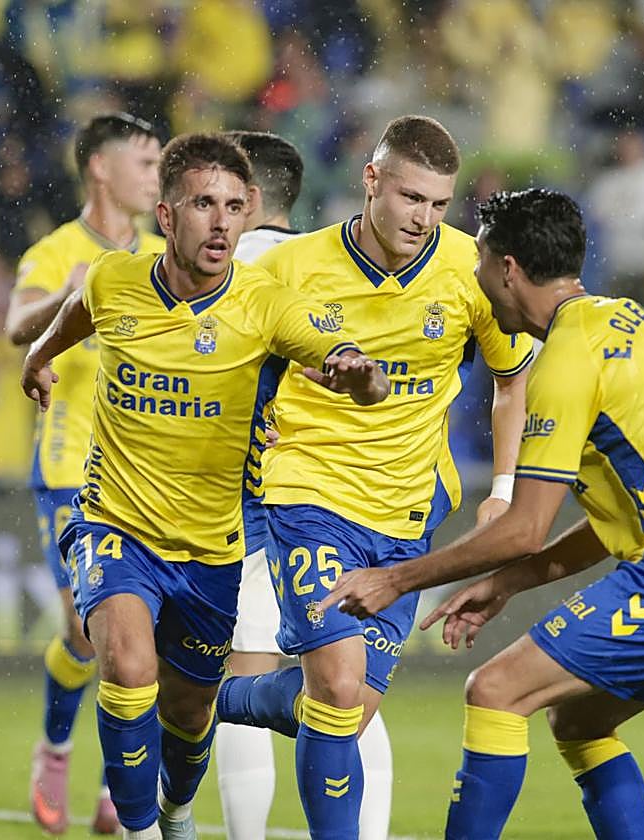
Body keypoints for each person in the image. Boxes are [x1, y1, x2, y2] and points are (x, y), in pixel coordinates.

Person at [322, 188, 644, 840]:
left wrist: (392, 579)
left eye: (480, 263)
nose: (478, 282)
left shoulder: (566, 360)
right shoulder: (638, 327)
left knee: (493, 690)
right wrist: (508, 583)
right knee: (579, 723)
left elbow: (521, 527)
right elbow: (617, 514)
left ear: (507, 268)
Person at [20, 132, 390, 840]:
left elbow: (339, 352)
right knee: (127, 669)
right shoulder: (113, 279)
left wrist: (361, 375)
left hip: (211, 548)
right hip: (114, 524)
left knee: (189, 716)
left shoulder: (268, 304)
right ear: (165, 215)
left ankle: (175, 810)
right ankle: (135, 832)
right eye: (201, 205)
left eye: (231, 206)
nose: (220, 222)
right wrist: (39, 356)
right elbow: (78, 314)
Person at [214, 115, 533, 840]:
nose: (422, 218)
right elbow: (231, 357)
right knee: (332, 685)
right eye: (409, 197)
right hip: (307, 496)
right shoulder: (290, 268)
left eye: (437, 204)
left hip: (407, 513)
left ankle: (207, 696)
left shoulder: (470, 268)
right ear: (370, 181)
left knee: (346, 709)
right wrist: (249, 416)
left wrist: (504, 490)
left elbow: (511, 381)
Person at [214, 129, 393, 840]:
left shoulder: (227, 276)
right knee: (345, 683)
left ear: (246, 196)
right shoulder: (333, 266)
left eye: (217, 193)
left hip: (257, 507)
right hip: (358, 502)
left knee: (242, 674)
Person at [6, 112, 164, 836]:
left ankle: (113, 781)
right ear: (99, 168)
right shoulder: (56, 251)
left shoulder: (165, 253)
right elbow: (16, 328)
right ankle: (56, 747)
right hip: (72, 468)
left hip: (153, 472)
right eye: (143, 159)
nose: (155, 173)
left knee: (134, 635)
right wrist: (64, 296)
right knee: (84, 623)